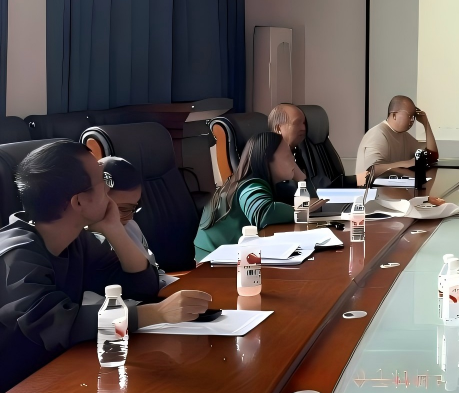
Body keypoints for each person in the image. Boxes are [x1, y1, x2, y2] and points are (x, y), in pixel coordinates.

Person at [0, 141, 211, 393]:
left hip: (59, 374)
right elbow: (59, 325)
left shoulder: (77, 241)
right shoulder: (15, 255)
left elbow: (142, 287)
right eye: (103, 181)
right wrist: (156, 313)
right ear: (79, 202)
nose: (109, 190)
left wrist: (114, 228)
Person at [194, 132, 303, 262]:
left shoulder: (246, 182)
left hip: (222, 257)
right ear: (267, 159)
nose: (293, 160)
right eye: (287, 156)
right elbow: (263, 213)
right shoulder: (251, 185)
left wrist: (300, 179)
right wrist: (298, 211)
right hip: (211, 262)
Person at [98, 156, 177, 290]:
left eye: (131, 208)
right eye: (121, 208)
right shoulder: (84, 242)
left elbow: (156, 273)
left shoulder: (131, 227)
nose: (128, 216)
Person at [354, 95, 439, 185]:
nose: (412, 120)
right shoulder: (377, 134)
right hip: (371, 191)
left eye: (413, 116)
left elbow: (432, 156)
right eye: (409, 115)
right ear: (394, 115)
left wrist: (425, 123)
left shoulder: (404, 135)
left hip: (392, 189)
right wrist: (406, 163)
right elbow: (371, 171)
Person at [267, 103, 310, 201]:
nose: (303, 128)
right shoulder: (271, 157)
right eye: (296, 123)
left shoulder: (299, 151)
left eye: (304, 123)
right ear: (278, 128)